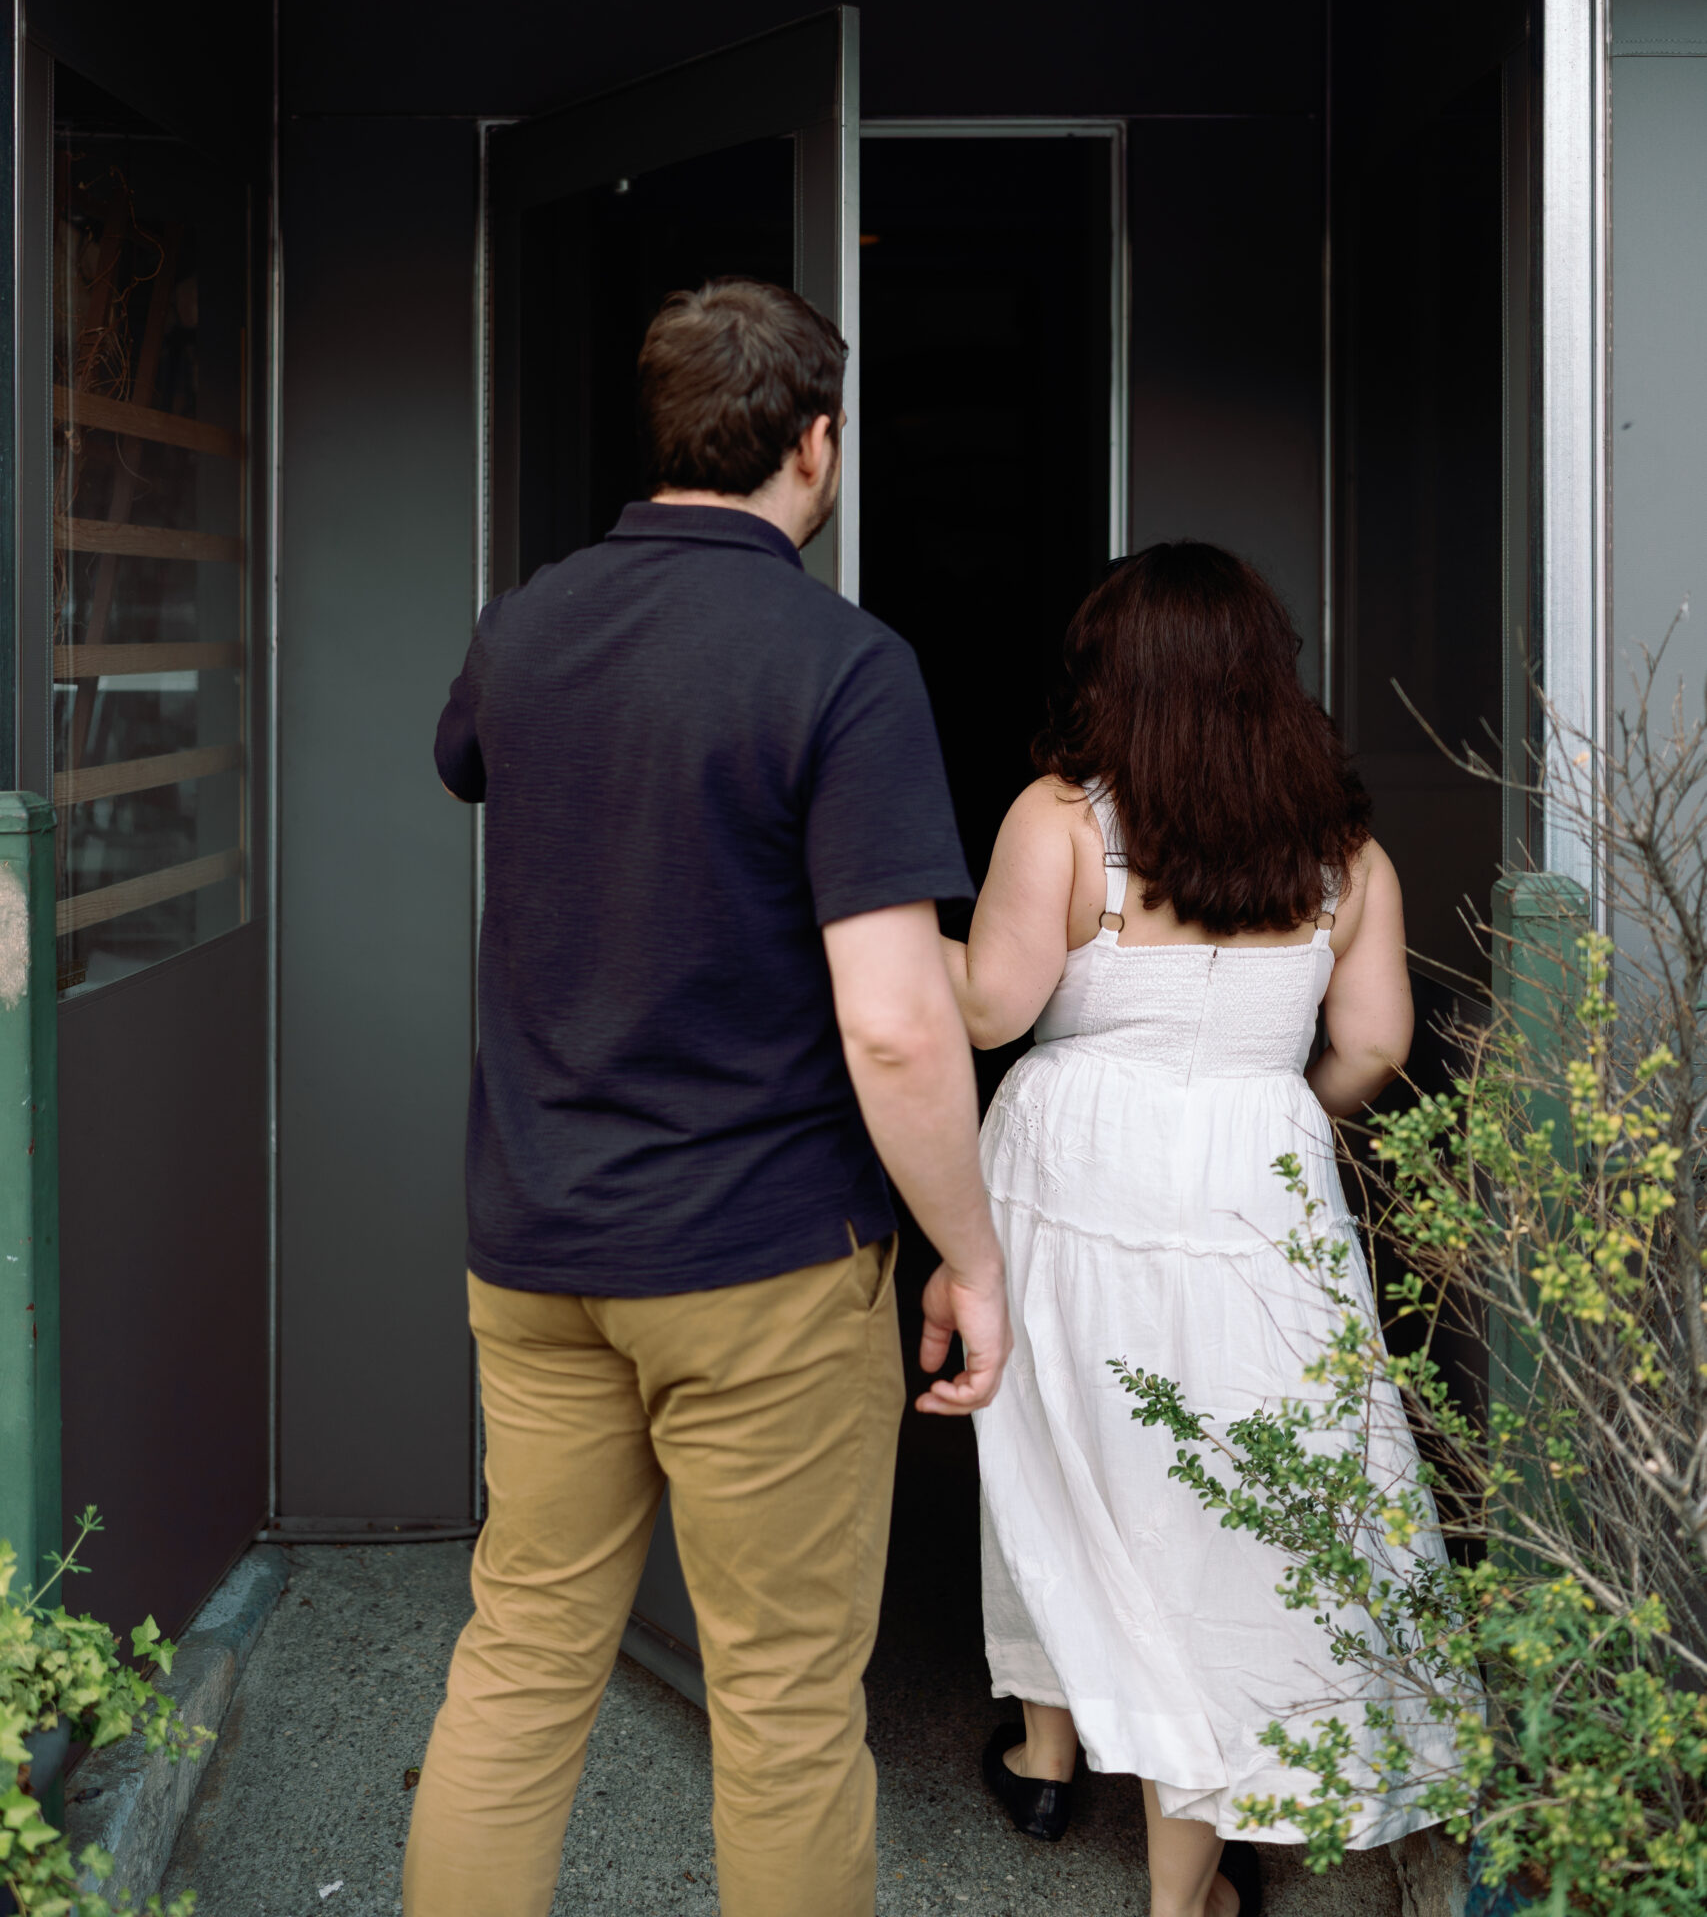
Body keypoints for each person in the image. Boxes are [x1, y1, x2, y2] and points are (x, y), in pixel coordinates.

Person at [405, 277, 1010, 1917]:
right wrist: (969, 1255)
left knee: (524, 1654)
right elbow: (898, 1024)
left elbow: (467, 762)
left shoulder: (526, 626)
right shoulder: (844, 664)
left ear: (664, 432)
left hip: (539, 1251)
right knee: (788, 1708)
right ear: (818, 443)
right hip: (763, 1266)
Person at [942, 542, 1455, 1917]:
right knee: (1216, 1511)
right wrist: (1271, 1112)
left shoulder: (1060, 819)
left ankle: (1047, 1757)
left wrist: (888, 946)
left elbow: (990, 1010)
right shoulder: (1344, 853)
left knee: (1058, 1456)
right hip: (1256, 1174)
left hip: (1074, 1166)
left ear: (1113, 673)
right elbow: (1376, 1043)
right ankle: (1184, 1892)